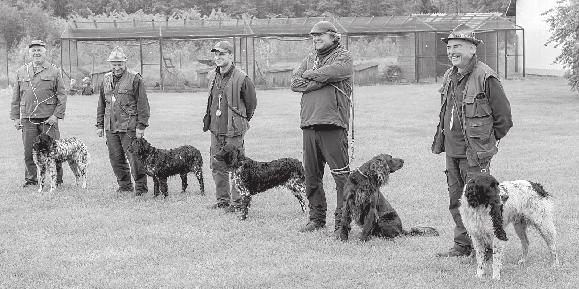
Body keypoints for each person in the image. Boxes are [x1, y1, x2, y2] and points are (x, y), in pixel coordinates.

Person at [432, 24, 513, 257]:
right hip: (452, 151)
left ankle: (486, 249)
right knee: (456, 201)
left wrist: (487, 142)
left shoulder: (486, 76)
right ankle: (462, 245)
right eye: (449, 47)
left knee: (480, 203)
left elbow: (504, 118)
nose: (451, 51)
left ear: (471, 48)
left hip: (475, 154)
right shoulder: (450, 75)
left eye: (457, 46)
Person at [290, 21, 353, 233]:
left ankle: (341, 223)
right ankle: (316, 219)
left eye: (320, 35)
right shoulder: (310, 58)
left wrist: (310, 75)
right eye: (313, 36)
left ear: (333, 37)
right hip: (308, 124)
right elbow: (294, 83)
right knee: (311, 176)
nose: (316, 38)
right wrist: (320, 79)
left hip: (332, 124)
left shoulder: (343, 57)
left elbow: (333, 72)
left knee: (341, 177)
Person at [203, 40, 257, 211]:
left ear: (231, 56)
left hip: (233, 130)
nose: (218, 57)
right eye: (216, 54)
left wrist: (240, 121)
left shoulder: (242, 77)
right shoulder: (212, 75)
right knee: (217, 164)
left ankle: (237, 202)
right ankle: (222, 200)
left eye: (222, 54)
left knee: (236, 166)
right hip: (215, 127)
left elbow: (251, 105)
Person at [10, 40, 66, 188]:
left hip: (49, 119)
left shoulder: (54, 71)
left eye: (39, 50)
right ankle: (31, 180)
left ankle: (57, 180)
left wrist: (56, 115)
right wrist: (15, 117)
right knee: (29, 151)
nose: (36, 53)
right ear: (30, 53)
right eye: (33, 50)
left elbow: (62, 95)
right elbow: (16, 97)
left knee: (54, 151)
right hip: (28, 119)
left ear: (45, 52)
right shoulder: (21, 71)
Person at [96, 47, 150, 196]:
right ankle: (125, 186)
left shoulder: (135, 78)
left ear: (125, 63)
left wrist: (141, 125)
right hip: (110, 126)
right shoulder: (106, 79)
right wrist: (100, 124)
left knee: (135, 158)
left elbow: (143, 104)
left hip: (129, 126)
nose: (117, 67)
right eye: (114, 64)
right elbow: (102, 103)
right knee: (116, 158)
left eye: (120, 64)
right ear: (110, 64)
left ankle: (141, 188)